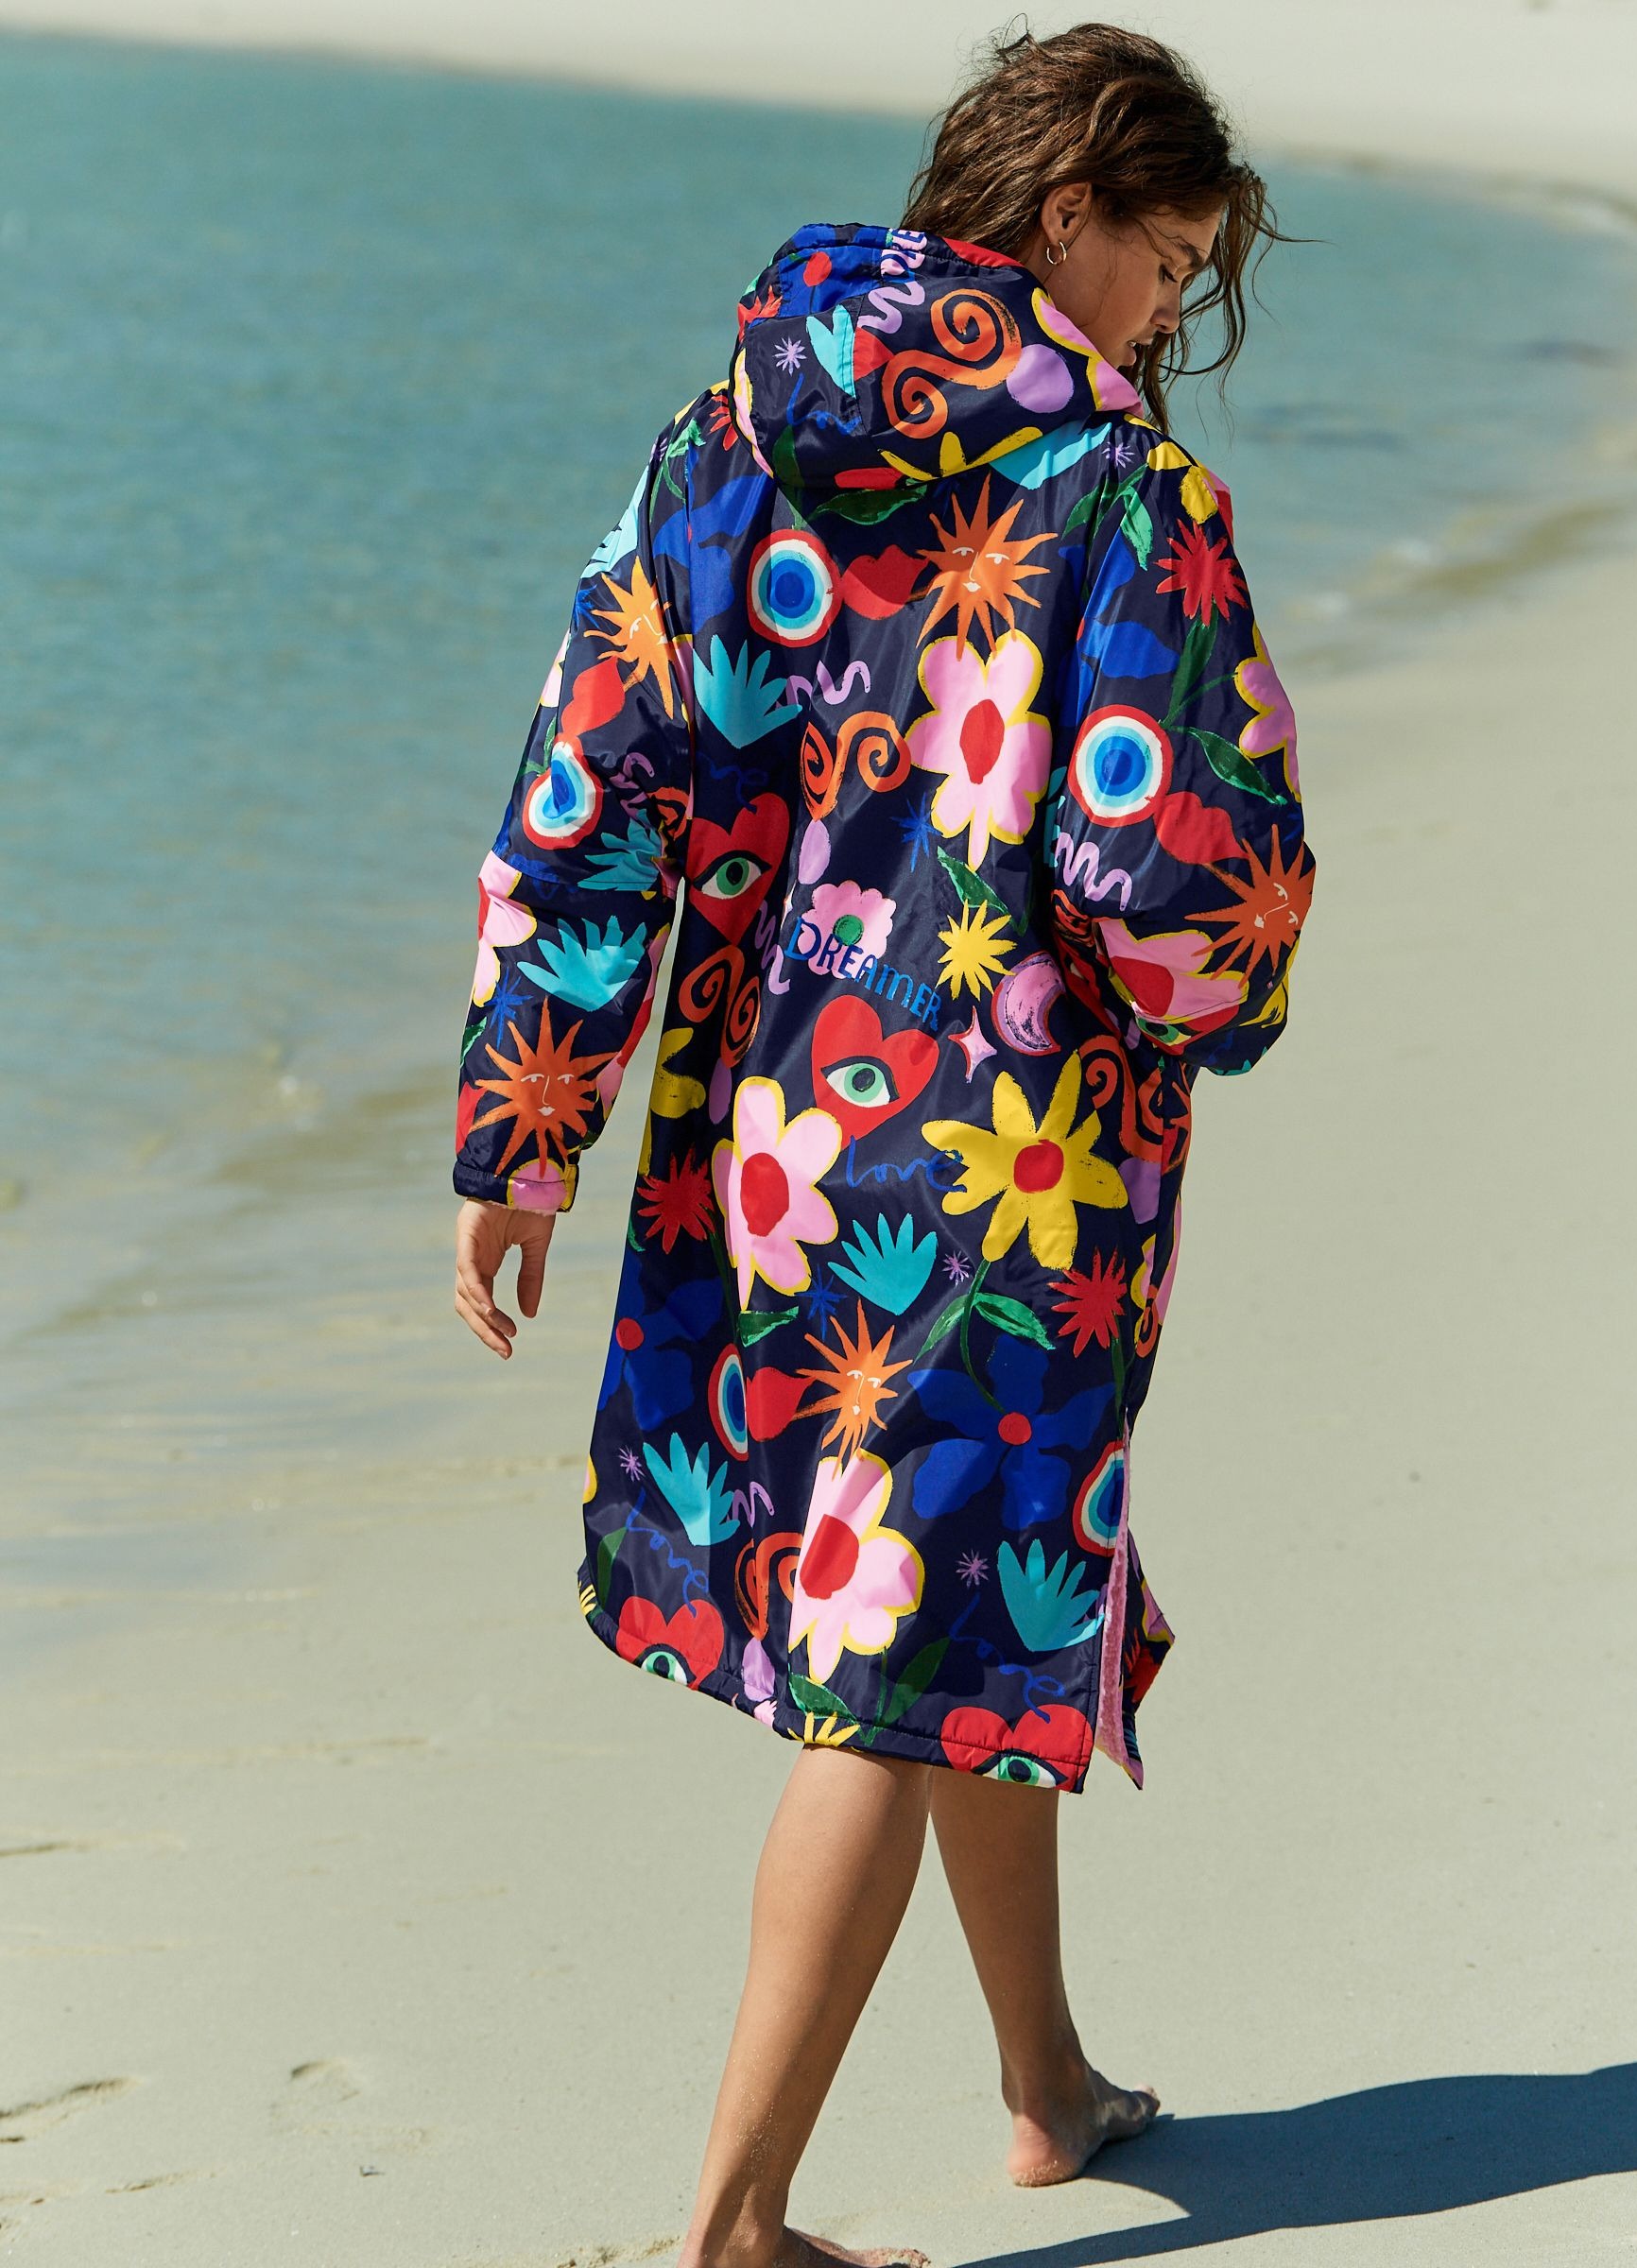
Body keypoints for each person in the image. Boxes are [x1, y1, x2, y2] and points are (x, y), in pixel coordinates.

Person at [451, 21, 1316, 2265]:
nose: (1165, 318)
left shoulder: (730, 435)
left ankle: (1046, 2080)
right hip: (1005, 1165)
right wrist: (1237, 983)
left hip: (774, 1143)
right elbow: (1168, 882)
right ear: (1066, 221)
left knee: (963, 1587)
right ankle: (736, 2227)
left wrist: (526, 1122)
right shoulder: (1119, 496)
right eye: (1165, 265)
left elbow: (594, 774)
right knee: (891, 1663)